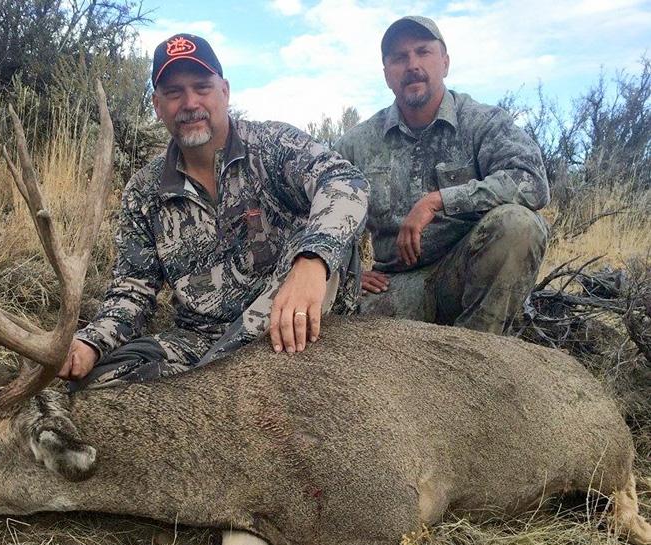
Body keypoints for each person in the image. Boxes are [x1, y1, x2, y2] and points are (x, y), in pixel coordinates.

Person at [59, 33, 368, 387]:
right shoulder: (143, 191)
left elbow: (345, 181)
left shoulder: (274, 145)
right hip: (201, 341)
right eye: (174, 93)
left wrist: (313, 261)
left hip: (287, 321)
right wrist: (90, 342)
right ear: (157, 105)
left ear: (225, 91)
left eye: (202, 87)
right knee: (95, 385)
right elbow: (133, 289)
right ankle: (211, 379)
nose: (190, 103)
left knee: (314, 243)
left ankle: (211, 382)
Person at [334, 16, 550, 335]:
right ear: (387, 74)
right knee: (324, 315)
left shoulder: (483, 122)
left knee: (519, 224)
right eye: (399, 57)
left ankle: (477, 352)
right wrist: (342, 272)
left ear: (445, 63)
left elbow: (532, 182)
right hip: (392, 286)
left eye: (423, 52)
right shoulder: (357, 143)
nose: (412, 65)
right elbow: (309, 210)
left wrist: (437, 201)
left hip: (464, 278)